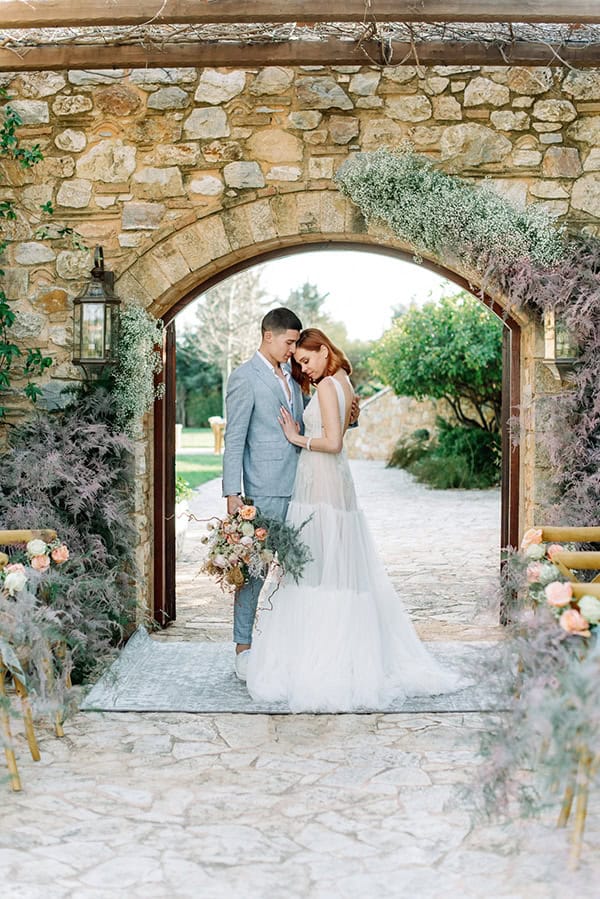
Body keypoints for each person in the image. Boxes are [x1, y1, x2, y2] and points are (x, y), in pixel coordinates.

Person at [245, 328, 467, 712]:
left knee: (318, 568)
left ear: (323, 350)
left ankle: (326, 659)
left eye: (307, 360)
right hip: (331, 483)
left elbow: (333, 443)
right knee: (331, 566)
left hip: (322, 483)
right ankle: (345, 654)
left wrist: (296, 437)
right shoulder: (343, 380)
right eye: (299, 364)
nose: (305, 369)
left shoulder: (330, 385)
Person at [222, 307, 304, 681]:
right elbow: (234, 438)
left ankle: (293, 647)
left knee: (299, 570)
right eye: (289, 342)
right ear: (268, 336)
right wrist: (232, 492)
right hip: (263, 490)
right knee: (254, 572)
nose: (292, 349)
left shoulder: (293, 376)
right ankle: (243, 649)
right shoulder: (245, 378)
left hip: (302, 486)